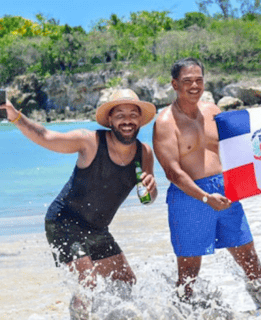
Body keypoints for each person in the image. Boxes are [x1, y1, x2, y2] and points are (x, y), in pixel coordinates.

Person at [1, 89, 158, 313]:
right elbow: (46, 136)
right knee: (88, 284)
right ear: (110, 120)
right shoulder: (89, 142)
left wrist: (152, 191)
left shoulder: (144, 153)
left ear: (140, 120)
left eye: (133, 114)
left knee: (125, 281)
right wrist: (15, 116)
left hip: (97, 228)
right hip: (63, 221)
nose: (127, 120)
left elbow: (148, 199)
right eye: (120, 115)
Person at [152, 57, 261, 310]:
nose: (194, 86)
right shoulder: (165, 123)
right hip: (190, 197)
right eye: (187, 81)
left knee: (250, 259)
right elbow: (173, 172)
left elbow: (240, 144)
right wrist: (205, 197)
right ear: (174, 84)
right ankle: (182, 314)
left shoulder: (212, 111)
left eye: (199, 80)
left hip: (225, 192)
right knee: (189, 273)